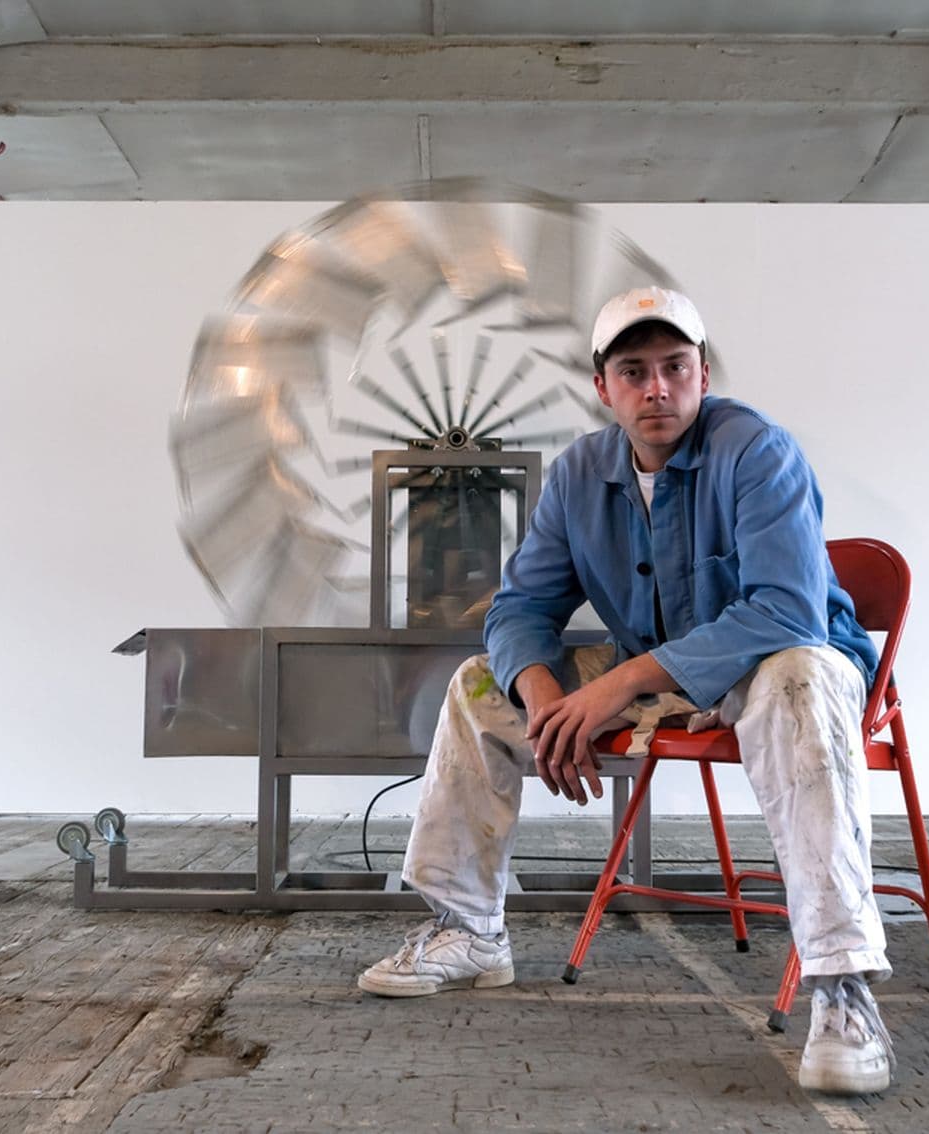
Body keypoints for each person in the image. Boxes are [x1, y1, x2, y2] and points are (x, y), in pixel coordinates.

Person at [356, 286, 895, 1095]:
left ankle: (842, 987)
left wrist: (618, 688)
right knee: (478, 685)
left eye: (675, 367)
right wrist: (541, 698)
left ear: (703, 375)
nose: (657, 389)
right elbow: (520, 607)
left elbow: (787, 611)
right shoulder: (580, 473)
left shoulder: (759, 452)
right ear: (602, 386)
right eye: (634, 371)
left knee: (795, 678)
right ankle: (468, 930)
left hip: (791, 664)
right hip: (663, 667)